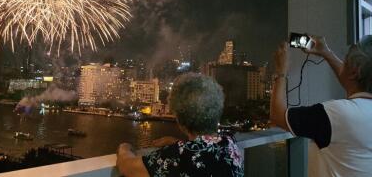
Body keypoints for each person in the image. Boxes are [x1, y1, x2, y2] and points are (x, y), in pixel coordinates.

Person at [270, 35, 372, 177]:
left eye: (346, 61)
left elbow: (277, 116)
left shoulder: (338, 114)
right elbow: (350, 79)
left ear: (355, 72)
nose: (343, 64)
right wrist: (326, 52)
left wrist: (281, 71)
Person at [116, 73, 244, 177]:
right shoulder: (229, 143)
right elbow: (203, 151)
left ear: (180, 120)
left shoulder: (178, 156)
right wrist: (177, 143)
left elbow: (126, 167)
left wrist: (125, 148)